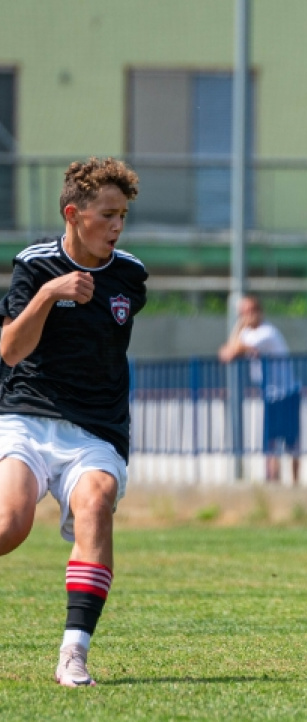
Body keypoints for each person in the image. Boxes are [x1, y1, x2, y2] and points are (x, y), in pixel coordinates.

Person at [0, 157, 146, 687]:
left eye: (123, 216)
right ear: (73, 214)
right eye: (107, 214)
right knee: (9, 525)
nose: (116, 226)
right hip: (28, 419)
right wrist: (48, 295)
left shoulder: (130, 275)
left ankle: (73, 653)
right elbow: (10, 350)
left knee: (97, 500)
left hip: (96, 430)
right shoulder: (35, 266)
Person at [218, 295, 300, 485]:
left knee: (291, 441)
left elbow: (233, 350)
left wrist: (239, 328)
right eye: (242, 314)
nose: (245, 317)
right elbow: (226, 354)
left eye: (248, 313)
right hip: (270, 394)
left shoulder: (266, 333)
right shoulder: (248, 333)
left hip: (286, 392)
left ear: (258, 312)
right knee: (270, 440)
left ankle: (296, 484)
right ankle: (273, 482)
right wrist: (240, 327)